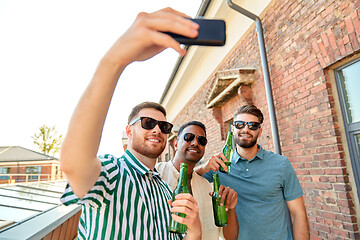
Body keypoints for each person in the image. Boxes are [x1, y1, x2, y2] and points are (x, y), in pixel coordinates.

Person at [60, 8, 203, 240]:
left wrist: (195, 230)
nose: (157, 129)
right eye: (148, 123)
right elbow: (74, 164)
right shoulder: (112, 172)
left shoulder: (166, 190)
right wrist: (115, 61)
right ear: (129, 130)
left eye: (164, 126)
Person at [196, 105, 309, 240]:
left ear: (259, 131)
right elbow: (189, 177)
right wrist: (204, 167)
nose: (246, 129)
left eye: (253, 125)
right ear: (232, 129)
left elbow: (298, 213)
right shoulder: (220, 166)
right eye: (239, 124)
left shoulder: (281, 164)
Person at [156, 121, 239, 240]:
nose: (195, 143)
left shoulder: (208, 188)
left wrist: (231, 208)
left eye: (202, 140)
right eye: (188, 137)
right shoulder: (156, 174)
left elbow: (229, 237)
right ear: (175, 144)